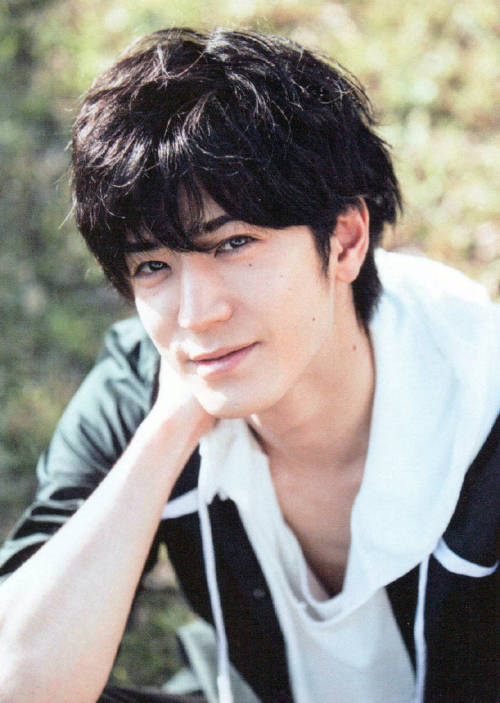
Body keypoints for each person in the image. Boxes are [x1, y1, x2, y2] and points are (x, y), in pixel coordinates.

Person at [0, 27, 498, 703]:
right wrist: (172, 426)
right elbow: (19, 683)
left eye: (233, 243)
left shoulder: (481, 405)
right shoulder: (144, 386)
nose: (197, 313)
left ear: (346, 240)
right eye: (154, 265)